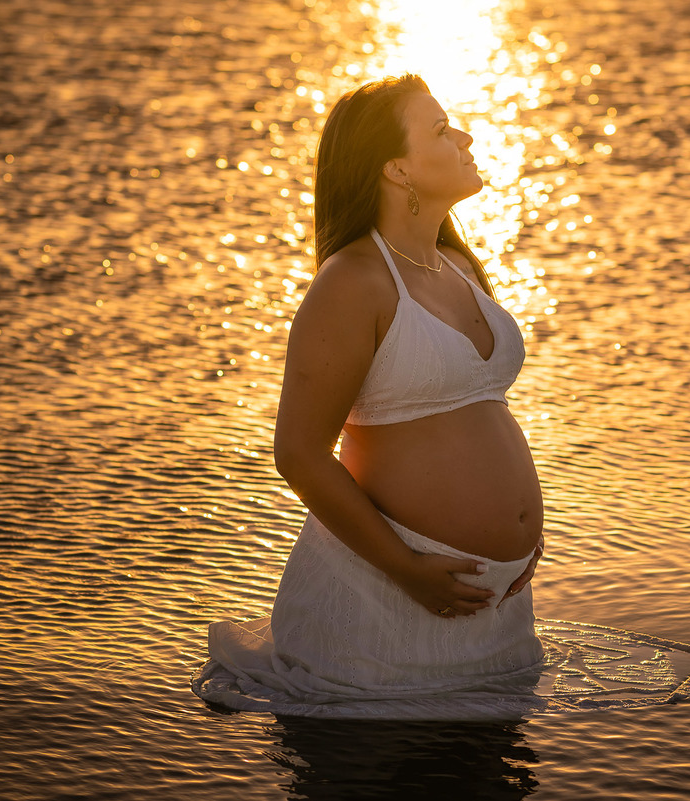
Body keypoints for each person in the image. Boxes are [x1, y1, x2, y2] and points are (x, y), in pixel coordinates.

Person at [196, 74, 545, 705]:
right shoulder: (352, 281)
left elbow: (475, 416)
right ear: (397, 170)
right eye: (440, 129)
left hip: (493, 609)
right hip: (381, 610)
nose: (464, 135)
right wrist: (408, 569)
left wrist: (520, 538)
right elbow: (299, 453)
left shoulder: (460, 266)